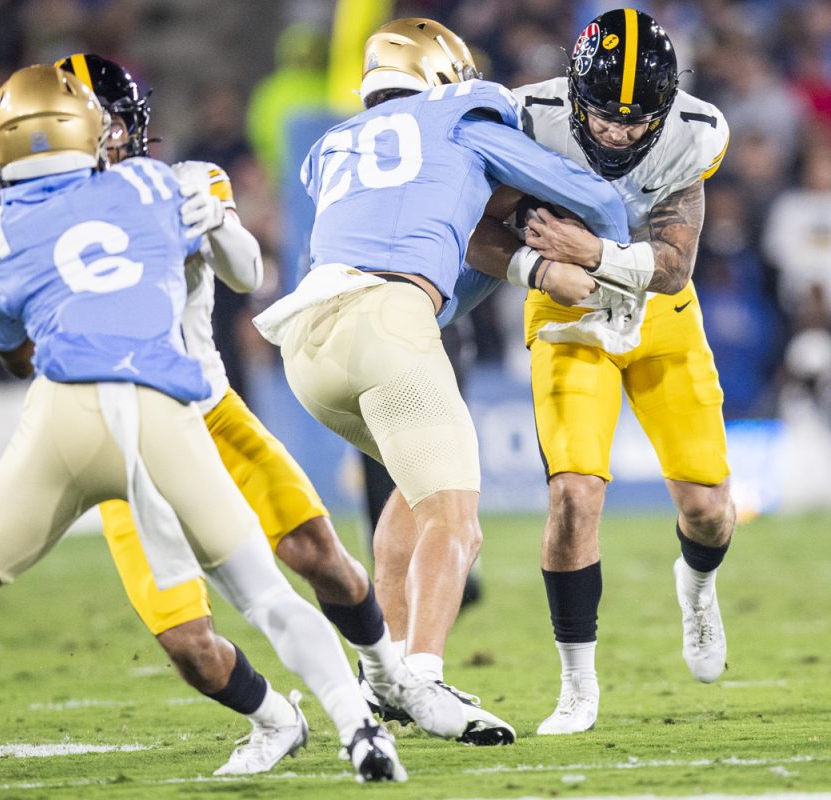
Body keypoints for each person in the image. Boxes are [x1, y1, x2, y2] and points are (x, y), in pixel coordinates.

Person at [0, 64, 406, 783]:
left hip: (69, 416)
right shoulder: (157, 185)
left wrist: (216, 229)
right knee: (257, 600)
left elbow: (16, 355)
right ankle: (354, 730)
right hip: (160, 410)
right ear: (86, 132)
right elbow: (247, 269)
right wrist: (215, 220)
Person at [52, 53, 468, 766]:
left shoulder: (188, 183)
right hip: (121, 442)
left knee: (318, 556)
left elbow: (248, 274)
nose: (103, 138)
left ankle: (385, 676)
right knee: (186, 642)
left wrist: (213, 221)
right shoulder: (44, 219)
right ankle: (277, 719)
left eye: (111, 123)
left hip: (208, 412)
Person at [253, 17, 631, 746]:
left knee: (414, 499)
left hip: (306, 343)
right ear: (442, 76)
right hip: (388, 324)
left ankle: (385, 677)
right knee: (457, 523)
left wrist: (521, 265)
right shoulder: (464, 111)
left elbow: (444, 255)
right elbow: (590, 197)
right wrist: (604, 256)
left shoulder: (332, 144)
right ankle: (423, 676)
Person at [466, 8, 736, 735]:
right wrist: (536, 264)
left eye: (636, 118)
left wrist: (588, 253)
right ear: (573, 94)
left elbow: (674, 269)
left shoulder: (694, 132)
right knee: (575, 498)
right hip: (565, 319)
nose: (617, 131)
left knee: (709, 511)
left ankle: (698, 587)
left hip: (658, 319)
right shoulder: (527, 116)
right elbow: (470, 230)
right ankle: (576, 686)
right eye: (604, 114)